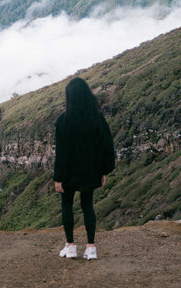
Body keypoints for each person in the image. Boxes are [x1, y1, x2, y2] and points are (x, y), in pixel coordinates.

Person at [53, 77, 115, 260]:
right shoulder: (97, 119)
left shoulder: (63, 121)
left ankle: (70, 246)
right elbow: (107, 147)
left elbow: (61, 153)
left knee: (67, 205)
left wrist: (58, 177)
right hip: (90, 172)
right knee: (87, 205)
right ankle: (91, 248)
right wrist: (103, 171)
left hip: (69, 173)